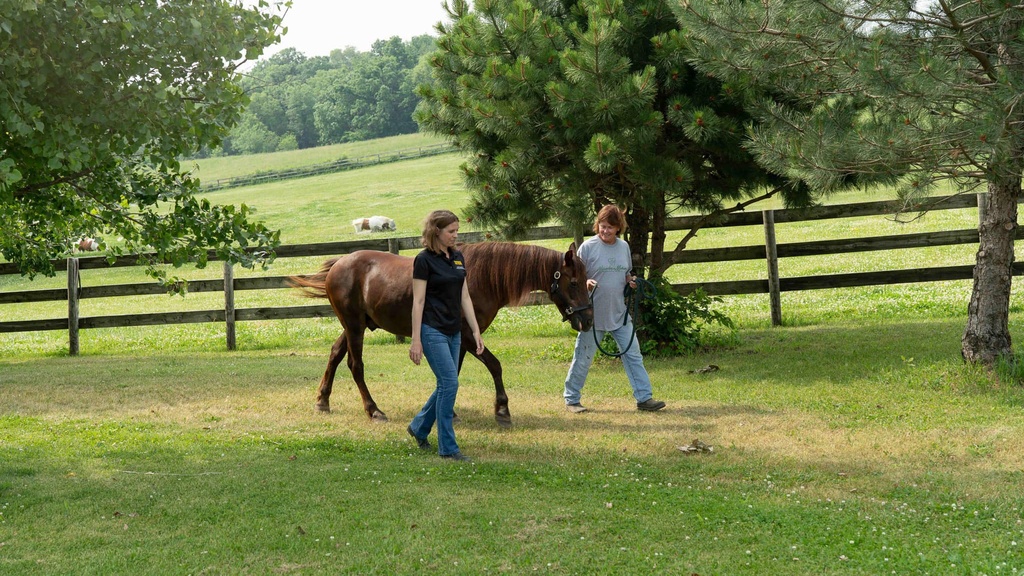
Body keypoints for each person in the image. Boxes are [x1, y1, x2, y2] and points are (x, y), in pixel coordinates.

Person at [563, 205, 666, 413]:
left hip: (619, 313)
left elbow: (626, 273)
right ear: (597, 225)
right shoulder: (588, 248)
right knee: (583, 357)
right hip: (592, 316)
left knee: (633, 354)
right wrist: (586, 283)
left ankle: (644, 398)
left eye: (610, 227)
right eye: (602, 226)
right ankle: (572, 399)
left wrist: (631, 281)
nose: (605, 231)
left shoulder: (623, 247)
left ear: (618, 228)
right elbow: (573, 281)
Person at [408, 209, 484, 461]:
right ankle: (448, 448)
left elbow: (464, 296)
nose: (455, 235)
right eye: (451, 231)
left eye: (457, 231)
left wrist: (475, 329)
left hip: (454, 331)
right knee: (450, 383)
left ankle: (419, 427)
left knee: (445, 384)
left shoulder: (458, 257)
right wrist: (416, 339)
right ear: (436, 232)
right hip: (432, 330)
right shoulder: (423, 260)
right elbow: (418, 302)